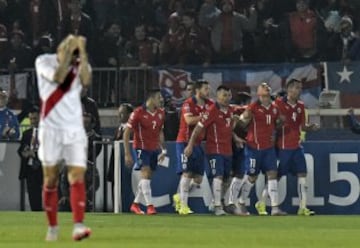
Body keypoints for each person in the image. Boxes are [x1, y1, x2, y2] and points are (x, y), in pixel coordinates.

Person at [35, 34, 92, 241]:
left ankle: (78, 225)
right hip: (50, 128)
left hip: (74, 129)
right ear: (59, 49)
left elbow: (86, 80)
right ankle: (52, 227)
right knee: (50, 179)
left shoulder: (79, 63)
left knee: (76, 176)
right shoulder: (43, 61)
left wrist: (82, 53)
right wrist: (69, 55)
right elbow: (58, 78)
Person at [255, 79, 319, 216]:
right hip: (282, 147)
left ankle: (302, 207)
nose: (299, 90)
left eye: (300, 88)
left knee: (302, 175)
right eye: (296, 88)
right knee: (275, 177)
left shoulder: (301, 106)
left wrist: (311, 128)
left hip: (296, 146)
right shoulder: (277, 104)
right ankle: (261, 202)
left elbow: (302, 126)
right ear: (289, 89)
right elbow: (271, 121)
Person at [184, 85, 236, 216]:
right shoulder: (212, 110)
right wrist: (190, 145)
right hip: (215, 149)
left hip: (228, 150)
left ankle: (216, 201)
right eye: (224, 95)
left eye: (229, 95)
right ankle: (218, 207)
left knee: (227, 179)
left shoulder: (230, 110)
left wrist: (236, 138)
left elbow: (229, 128)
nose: (227, 98)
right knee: (218, 176)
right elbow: (198, 128)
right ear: (217, 96)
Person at [237, 83, 286, 216]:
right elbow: (242, 123)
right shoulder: (253, 107)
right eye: (263, 86)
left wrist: (278, 125)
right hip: (254, 147)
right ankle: (241, 202)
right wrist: (240, 120)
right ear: (258, 92)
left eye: (267, 86)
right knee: (252, 177)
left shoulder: (275, 108)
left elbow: (279, 122)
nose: (267, 87)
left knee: (272, 175)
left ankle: (275, 208)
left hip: (268, 148)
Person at [123, 89, 166, 215]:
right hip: (141, 148)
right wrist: (127, 153)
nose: (161, 100)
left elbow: (160, 132)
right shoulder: (138, 113)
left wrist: (163, 149)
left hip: (154, 149)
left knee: (147, 178)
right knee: (146, 173)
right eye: (159, 97)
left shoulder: (161, 113)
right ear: (151, 99)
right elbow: (126, 133)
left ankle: (135, 204)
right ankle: (150, 206)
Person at [173, 80, 212, 215]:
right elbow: (189, 120)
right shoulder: (188, 104)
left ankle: (179, 195)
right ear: (198, 90)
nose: (208, 91)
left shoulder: (209, 104)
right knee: (187, 173)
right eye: (206, 89)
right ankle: (184, 206)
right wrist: (204, 116)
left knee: (198, 179)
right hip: (185, 142)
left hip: (198, 143)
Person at [107, 103, 134, 206]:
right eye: (119, 113)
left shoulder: (132, 130)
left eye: (122, 113)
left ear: (130, 115)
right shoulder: (120, 128)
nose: (119, 116)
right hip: (115, 163)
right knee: (115, 187)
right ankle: (115, 207)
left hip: (125, 165)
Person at [18, 105, 43, 211]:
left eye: (35, 118)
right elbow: (20, 149)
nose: (33, 121)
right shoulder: (26, 133)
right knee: (33, 198)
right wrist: (24, 153)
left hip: (43, 169)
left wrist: (35, 155)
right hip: (30, 170)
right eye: (31, 119)